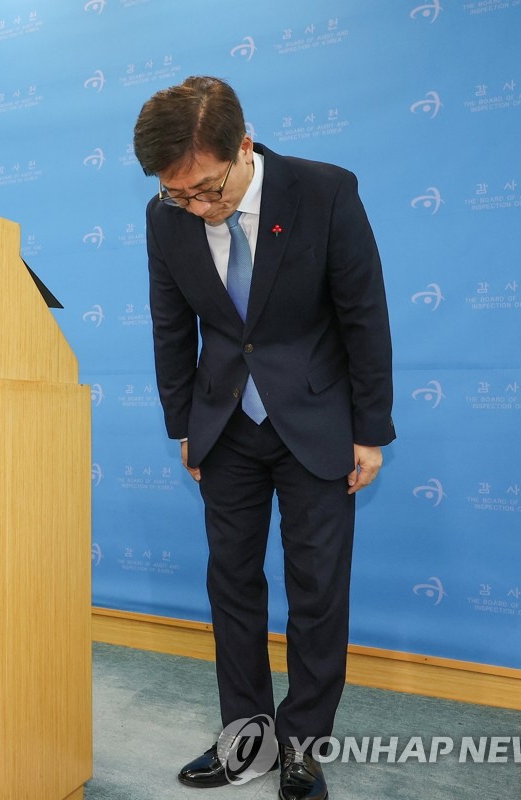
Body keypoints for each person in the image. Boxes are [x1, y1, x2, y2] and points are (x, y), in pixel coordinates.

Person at [132, 76, 395, 800]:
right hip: (224, 427)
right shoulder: (165, 218)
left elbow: (364, 314)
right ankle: (246, 740)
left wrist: (369, 432)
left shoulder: (324, 191)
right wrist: (184, 427)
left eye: (207, 190)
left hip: (317, 420)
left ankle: (303, 746)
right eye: (178, 195)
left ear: (244, 146)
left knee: (317, 590)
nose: (197, 208)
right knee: (232, 587)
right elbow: (170, 328)